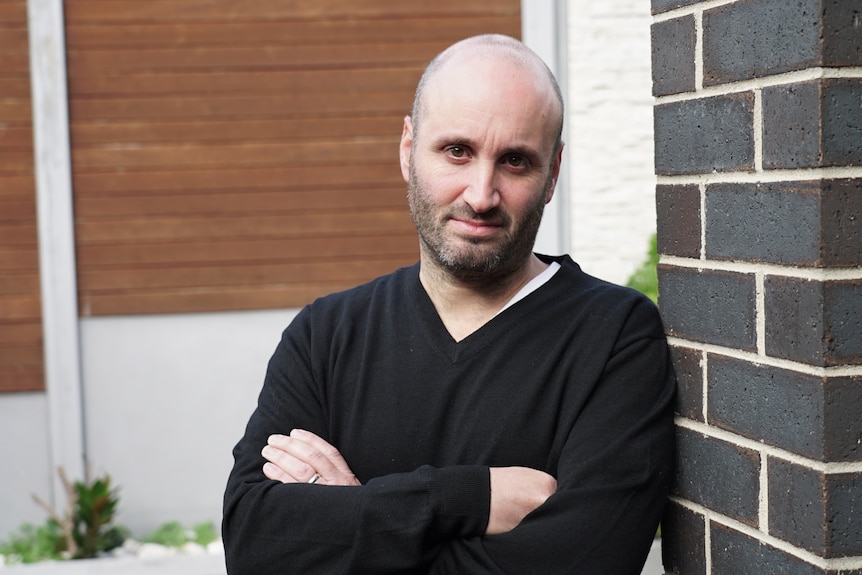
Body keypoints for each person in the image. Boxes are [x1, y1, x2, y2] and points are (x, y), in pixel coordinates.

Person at [223, 34, 675, 574]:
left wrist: (349, 513)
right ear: (408, 150)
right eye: (457, 151)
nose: (481, 195)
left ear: (552, 175)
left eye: (515, 161)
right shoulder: (327, 333)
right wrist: (463, 498)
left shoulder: (615, 337)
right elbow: (255, 544)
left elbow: (584, 562)